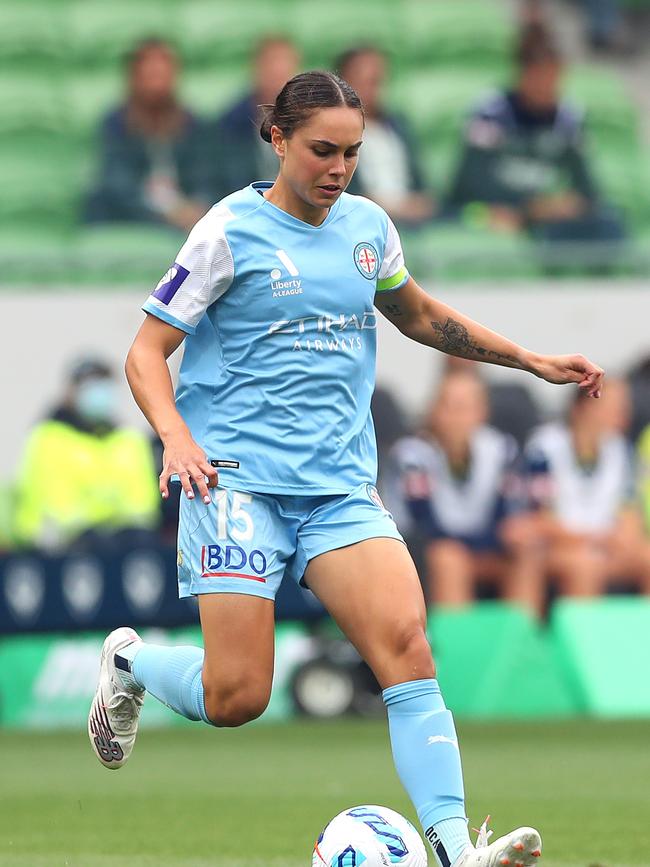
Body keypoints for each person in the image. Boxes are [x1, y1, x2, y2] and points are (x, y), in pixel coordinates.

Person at [88, 70, 604, 867]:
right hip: (235, 483)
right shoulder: (228, 230)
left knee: (406, 645)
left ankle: (456, 848)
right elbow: (146, 352)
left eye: (352, 153)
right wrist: (175, 436)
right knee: (237, 697)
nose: (338, 168)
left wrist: (527, 358)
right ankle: (127, 659)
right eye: (322, 150)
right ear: (279, 139)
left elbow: (422, 316)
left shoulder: (368, 227)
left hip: (337, 489)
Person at [446, 22, 625, 252]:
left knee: (608, 225)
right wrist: (529, 207)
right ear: (522, 74)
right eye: (539, 77)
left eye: (553, 78)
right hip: (497, 212)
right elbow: (467, 185)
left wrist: (563, 205)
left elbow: (588, 190)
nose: (547, 87)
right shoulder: (490, 113)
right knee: (481, 219)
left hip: (550, 217)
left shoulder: (569, 118)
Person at [386, 370, 543, 616]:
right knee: (450, 559)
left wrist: (512, 534)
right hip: (424, 551)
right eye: (448, 406)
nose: (455, 417)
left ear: (482, 412)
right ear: (434, 411)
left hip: (482, 546)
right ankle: (456, 649)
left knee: (526, 554)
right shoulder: (412, 456)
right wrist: (481, 543)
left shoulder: (501, 450)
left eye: (464, 407)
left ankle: (518, 647)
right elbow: (425, 526)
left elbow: (506, 516)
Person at [13, 357, 160, 549]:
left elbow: (143, 504)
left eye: (104, 385)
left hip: (125, 548)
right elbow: (54, 504)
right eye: (90, 385)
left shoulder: (129, 440)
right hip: (58, 551)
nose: (99, 394)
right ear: (71, 391)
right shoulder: (47, 438)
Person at [524, 378, 650, 597]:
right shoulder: (544, 449)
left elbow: (630, 510)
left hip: (606, 545)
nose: (623, 413)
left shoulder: (621, 449)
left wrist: (624, 538)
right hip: (561, 547)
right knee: (584, 566)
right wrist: (593, 540)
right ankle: (582, 631)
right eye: (614, 405)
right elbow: (540, 519)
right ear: (585, 405)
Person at [84, 39, 213, 232]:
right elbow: (117, 186)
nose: (157, 86)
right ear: (135, 79)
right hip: (132, 220)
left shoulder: (192, 125)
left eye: (163, 76)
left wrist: (196, 206)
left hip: (184, 219)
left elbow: (207, 177)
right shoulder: (116, 126)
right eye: (150, 76)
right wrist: (165, 214)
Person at [336, 45, 436, 226]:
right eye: (363, 80)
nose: (371, 88)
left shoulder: (399, 125)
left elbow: (421, 185)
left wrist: (421, 202)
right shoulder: (334, 131)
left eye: (376, 80)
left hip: (412, 219)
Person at [212, 36, 300, 198]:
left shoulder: (308, 123)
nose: (276, 75)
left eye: (283, 69)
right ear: (255, 68)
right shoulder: (230, 124)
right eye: (270, 66)